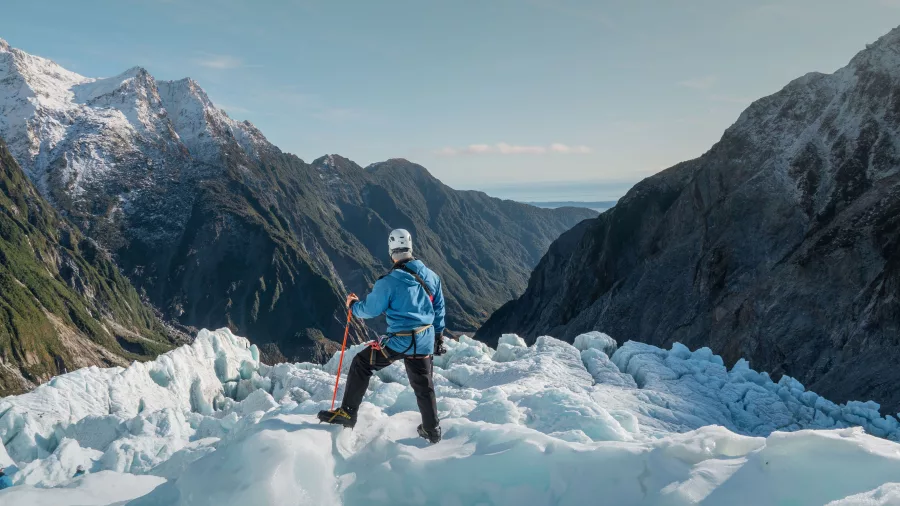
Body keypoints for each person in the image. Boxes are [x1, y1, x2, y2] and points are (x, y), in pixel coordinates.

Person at [318, 229, 446, 444]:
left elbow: (370, 309)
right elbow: (439, 309)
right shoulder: (432, 276)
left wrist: (353, 305)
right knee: (424, 386)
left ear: (391, 252)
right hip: (425, 339)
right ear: (411, 248)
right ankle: (432, 430)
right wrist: (438, 336)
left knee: (361, 364)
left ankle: (348, 413)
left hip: (399, 341)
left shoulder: (389, 281)